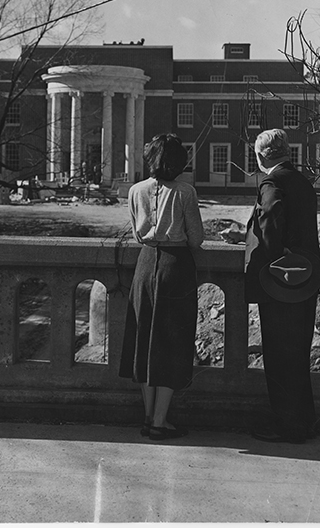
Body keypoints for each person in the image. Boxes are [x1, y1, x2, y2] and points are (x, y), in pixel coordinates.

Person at [119, 133, 204, 441]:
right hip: (175, 266)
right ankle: (159, 421)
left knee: (144, 339)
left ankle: (147, 416)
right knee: (172, 341)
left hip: (145, 265)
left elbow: (136, 234)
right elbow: (196, 238)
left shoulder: (135, 190)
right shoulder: (185, 192)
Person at [243, 128, 320, 444]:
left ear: (261, 155)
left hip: (280, 280)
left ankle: (287, 426)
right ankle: (305, 422)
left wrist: (267, 253)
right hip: (307, 277)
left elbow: (271, 217)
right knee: (298, 354)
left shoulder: (271, 182)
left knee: (278, 356)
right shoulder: (303, 181)